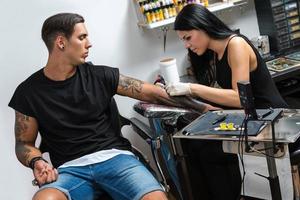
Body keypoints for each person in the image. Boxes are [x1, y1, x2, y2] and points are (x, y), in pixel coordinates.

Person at [8, 13, 214, 200]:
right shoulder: (29, 92)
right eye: (81, 38)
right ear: (61, 42)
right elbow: (23, 143)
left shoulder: (100, 76)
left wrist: (201, 108)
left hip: (116, 160)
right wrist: (37, 162)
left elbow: (154, 93)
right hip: (70, 171)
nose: (89, 44)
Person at [165, 3, 288, 200]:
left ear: (203, 26)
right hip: (251, 118)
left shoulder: (236, 45)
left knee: (209, 153)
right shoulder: (215, 52)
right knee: (193, 146)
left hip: (272, 117)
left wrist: (191, 88)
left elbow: (240, 98)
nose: (186, 45)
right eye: (183, 40)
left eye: (188, 38)